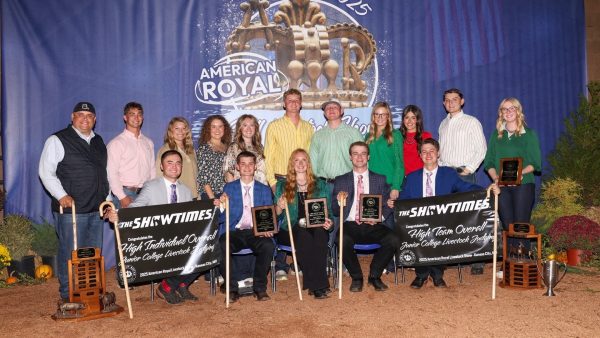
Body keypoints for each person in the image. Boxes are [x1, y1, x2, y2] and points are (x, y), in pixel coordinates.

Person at [400, 138, 499, 289]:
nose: (428, 154)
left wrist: (487, 190)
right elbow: (404, 199)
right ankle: (421, 275)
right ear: (419, 155)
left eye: (431, 151)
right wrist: (395, 204)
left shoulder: (448, 174)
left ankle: (437, 275)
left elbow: (465, 187)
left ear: (438, 154)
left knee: (442, 232)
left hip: (443, 222)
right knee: (415, 233)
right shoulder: (412, 177)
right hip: (419, 223)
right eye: (424, 151)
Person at [107, 150, 200, 304]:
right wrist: (118, 214)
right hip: (157, 240)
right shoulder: (151, 187)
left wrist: (215, 206)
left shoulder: (186, 191)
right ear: (162, 167)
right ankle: (167, 287)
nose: (174, 166)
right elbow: (136, 207)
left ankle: (181, 284)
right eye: (169, 162)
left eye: (178, 163)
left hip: (179, 238)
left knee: (205, 248)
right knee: (183, 250)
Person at [38, 102, 109, 302]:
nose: (85, 119)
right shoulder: (58, 139)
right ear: (72, 117)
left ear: (95, 120)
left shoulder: (98, 141)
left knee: (93, 253)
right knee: (70, 252)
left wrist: (108, 201)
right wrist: (61, 195)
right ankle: (68, 294)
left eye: (89, 116)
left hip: (96, 208)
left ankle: (90, 291)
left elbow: (105, 173)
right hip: (71, 210)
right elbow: (46, 172)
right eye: (80, 115)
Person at [332, 141, 400, 292]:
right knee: (341, 239)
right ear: (350, 157)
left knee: (394, 239)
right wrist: (339, 201)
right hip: (350, 224)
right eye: (355, 154)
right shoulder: (341, 180)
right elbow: (335, 211)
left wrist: (381, 216)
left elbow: (389, 204)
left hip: (374, 224)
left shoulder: (380, 179)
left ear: (368, 157)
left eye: (363, 153)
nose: (359, 157)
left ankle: (374, 276)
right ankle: (356, 277)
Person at [438, 88, 487, 275]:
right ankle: (453, 256)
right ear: (444, 103)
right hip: (446, 175)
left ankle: (477, 260)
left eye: (455, 99)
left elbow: (481, 149)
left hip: (464, 174)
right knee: (449, 218)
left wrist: (469, 169)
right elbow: (441, 151)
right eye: (447, 100)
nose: (451, 103)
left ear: (462, 101)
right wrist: (441, 168)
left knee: (471, 218)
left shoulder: (471, 122)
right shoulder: (443, 124)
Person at [216, 151, 275, 302]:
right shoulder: (229, 188)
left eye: (250, 164)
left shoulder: (264, 189)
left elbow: (269, 214)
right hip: (235, 231)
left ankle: (260, 288)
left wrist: (267, 229)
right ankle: (232, 289)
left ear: (255, 167)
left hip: (256, 232)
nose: (247, 167)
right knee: (222, 245)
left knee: (268, 246)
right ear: (237, 167)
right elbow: (222, 218)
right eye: (243, 164)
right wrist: (222, 206)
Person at [274, 149, 333, 299]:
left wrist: (329, 223)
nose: (300, 164)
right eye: (296, 160)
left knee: (320, 234)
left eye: (303, 160)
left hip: (316, 225)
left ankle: (314, 284)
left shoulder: (320, 184)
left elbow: (329, 213)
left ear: (308, 163)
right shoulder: (282, 185)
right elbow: (276, 214)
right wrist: (280, 206)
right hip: (291, 228)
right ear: (291, 164)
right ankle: (319, 285)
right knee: (304, 235)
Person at [105, 102, 155, 271]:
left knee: (145, 234)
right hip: (126, 192)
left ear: (143, 117)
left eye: (139, 114)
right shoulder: (116, 143)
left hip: (145, 192)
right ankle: (126, 274)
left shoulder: (148, 142)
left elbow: (152, 170)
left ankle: (141, 270)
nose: (136, 117)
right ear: (125, 117)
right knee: (126, 237)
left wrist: (152, 192)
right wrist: (121, 196)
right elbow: (111, 173)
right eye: (132, 114)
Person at [483, 98, 541, 230]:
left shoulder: (529, 134)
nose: (508, 111)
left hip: (523, 184)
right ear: (501, 113)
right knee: (507, 225)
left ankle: (523, 251)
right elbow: (489, 162)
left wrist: (520, 172)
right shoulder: (496, 135)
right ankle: (509, 252)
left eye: (512, 108)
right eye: (505, 109)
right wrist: (496, 178)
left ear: (518, 110)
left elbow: (535, 163)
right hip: (501, 186)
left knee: (520, 226)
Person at [264, 88, 313, 191]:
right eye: (290, 100)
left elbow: (310, 156)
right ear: (284, 104)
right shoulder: (274, 126)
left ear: (301, 104)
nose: (293, 103)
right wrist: (272, 183)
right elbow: (268, 157)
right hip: (282, 180)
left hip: (304, 180)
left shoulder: (308, 127)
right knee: (282, 208)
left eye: (296, 100)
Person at [309, 98, 363, 187]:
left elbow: (363, 160)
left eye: (334, 107)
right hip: (323, 185)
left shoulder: (354, 133)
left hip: (347, 183)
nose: (331, 109)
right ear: (324, 113)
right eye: (328, 108)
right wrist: (314, 184)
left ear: (341, 111)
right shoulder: (317, 136)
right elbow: (312, 163)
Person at [365, 102, 404, 202]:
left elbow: (399, 163)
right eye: (377, 114)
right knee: (371, 216)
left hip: (388, 184)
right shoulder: (368, 136)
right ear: (373, 116)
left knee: (388, 217)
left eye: (383, 114)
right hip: (371, 184)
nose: (380, 117)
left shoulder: (395, 134)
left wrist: (395, 186)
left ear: (388, 116)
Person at [156, 117, 199, 199]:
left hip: (193, 195)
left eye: (184, 128)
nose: (181, 131)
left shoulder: (191, 149)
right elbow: (159, 175)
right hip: (176, 196)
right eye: (177, 128)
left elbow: (195, 174)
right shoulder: (166, 149)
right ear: (171, 131)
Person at [223, 114, 267, 185]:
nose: (249, 129)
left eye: (252, 125)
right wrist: (235, 191)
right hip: (240, 190)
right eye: (245, 125)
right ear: (240, 128)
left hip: (260, 190)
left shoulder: (260, 147)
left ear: (255, 128)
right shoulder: (233, 148)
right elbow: (228, 172)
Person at [196, 115, 232, 199]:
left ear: (224, 128)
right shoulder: (204, 148)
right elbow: (203, 177)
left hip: (226, 194)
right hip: (211, 195)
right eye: (213, 127)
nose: (217, 130)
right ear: (208, 129)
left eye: (220, 126)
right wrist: (212, 198)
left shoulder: (229, 148)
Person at [400, 104, 432, 176]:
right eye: (407, 117)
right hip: (402, 179)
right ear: (403, 119)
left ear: (418, 120)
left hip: (420, 177)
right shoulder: (398, 136)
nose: (409, 121)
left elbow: (431, 160)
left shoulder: (426, 136)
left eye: (413, 118)